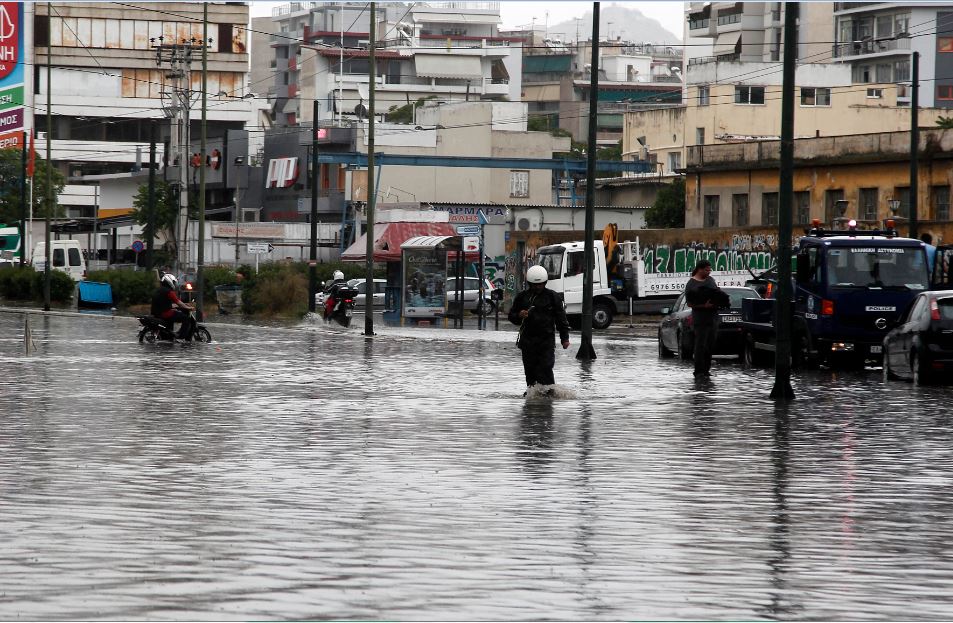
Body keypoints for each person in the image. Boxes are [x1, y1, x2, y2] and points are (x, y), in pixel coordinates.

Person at [508, 265, 571, 394]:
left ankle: (549, 396)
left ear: (545, 282)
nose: (537, 287)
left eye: (540, 284)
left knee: (545, 368)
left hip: (546, 341)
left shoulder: (553, 297)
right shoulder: (522, 297)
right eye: (535, 285)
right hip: (527, 342)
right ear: (529, 283)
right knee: (530, 371)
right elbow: (512, 316)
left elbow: (561, 319)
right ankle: (533, 399)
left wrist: (565, 338)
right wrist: (519, 315)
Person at [684, 259, 727, 378]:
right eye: (707, 270)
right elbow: (690, 303)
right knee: (700, 345)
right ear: (700, 269)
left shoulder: (710, 280)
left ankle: (706, 370)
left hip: (713, 318)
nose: (709, 272)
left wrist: (721, 299)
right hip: (700, 319)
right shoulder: (691, 283)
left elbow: (717, 292)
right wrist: (703, 306)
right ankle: (698, 371)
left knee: (710, 345)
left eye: (710, 269)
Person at [151, 273, 196, 340]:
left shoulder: (159, 290)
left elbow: (164, 303)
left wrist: (178, 306)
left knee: (174, 314)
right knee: (186, 318)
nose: (174, 284)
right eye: (174, 282)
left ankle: (169, 336)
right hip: (165, 313)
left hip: (157, 313)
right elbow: (178, 302)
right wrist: (188, 307)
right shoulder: (169, 292)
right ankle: (180, 335)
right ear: (169, 281)